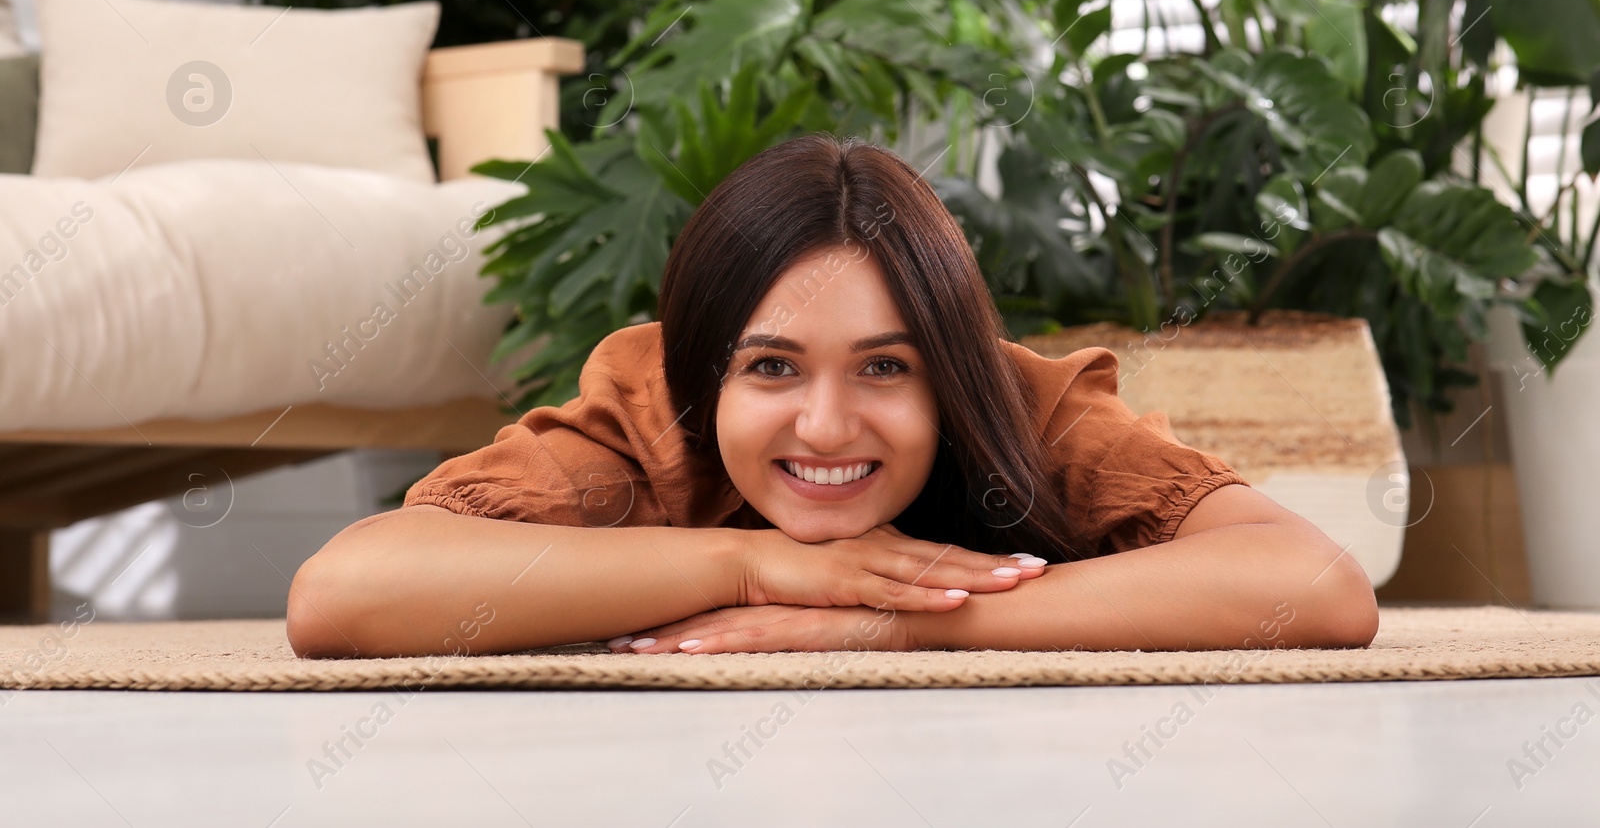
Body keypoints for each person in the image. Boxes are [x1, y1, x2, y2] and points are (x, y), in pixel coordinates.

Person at [286, 133, 1378, 659]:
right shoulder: (646, 413)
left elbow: (1316, 585)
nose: (823, 423)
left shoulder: (1024, 407)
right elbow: (345, 591)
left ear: (947, 369)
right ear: (704, 365)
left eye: (885, 367)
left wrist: (884, 623)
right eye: (769, 366)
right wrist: (757, 564)